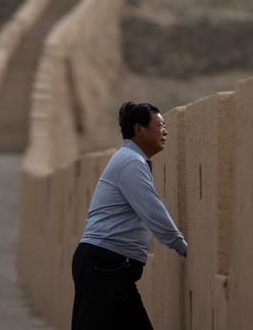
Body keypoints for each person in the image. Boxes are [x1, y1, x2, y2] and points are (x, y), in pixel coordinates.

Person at [71, 101, 188, 330]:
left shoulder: (131, 160)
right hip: (105, 265)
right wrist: (181, 245)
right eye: (160, 125)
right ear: (139, 129)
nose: (165, 131)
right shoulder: (130, 162)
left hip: (112, 267)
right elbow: (152, 210)